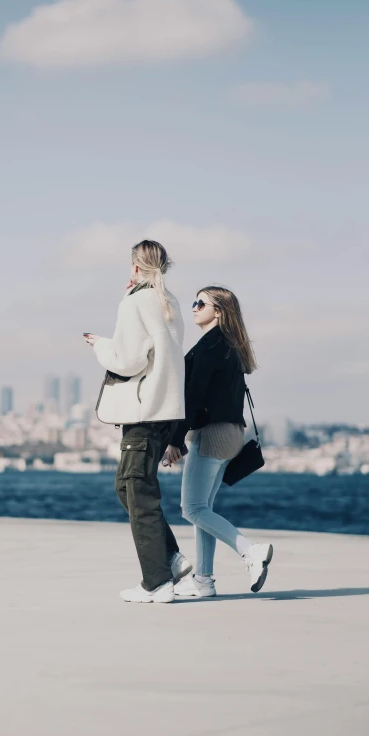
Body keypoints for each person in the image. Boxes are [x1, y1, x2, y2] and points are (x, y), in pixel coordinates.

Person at [84, 240, 191, 603]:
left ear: (134, 268)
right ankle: (171, 559)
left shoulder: (135, 302)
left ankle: (156, 582)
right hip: (165, 410)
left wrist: (100, 345)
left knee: (136, 490)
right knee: (127, 486)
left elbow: (128, 360)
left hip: (144, 412)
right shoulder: (169, 301)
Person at [166, 286, 273, 597]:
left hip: (212, 433)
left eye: (202, 303)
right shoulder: (229, 346)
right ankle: (203, 580)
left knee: (192, 508)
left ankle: (249, 551)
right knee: (204, 508)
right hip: (231, 433)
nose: (195, 306)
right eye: (194, 301)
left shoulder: (212, 346)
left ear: (220, 311)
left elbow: (193, 398)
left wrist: (175, 440)